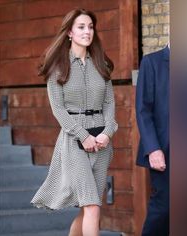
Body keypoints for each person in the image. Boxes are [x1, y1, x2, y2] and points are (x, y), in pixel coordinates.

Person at [30, 8, 118, 236]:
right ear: (69, 32)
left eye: (90, 27)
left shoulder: (102, 64)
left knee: (90, 205)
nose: (87, 31)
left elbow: (109, 103)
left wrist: (107, 132)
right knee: (91, 205)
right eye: (81, 27)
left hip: (102, 141)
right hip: (74, 142)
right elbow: (58, 110)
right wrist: (84, 135)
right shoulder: (57, 66)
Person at [135, 45, 170, 236]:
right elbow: (143, 110)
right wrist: (153, 149)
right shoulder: (151, 62)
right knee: (164, 207)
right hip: (165, 150)